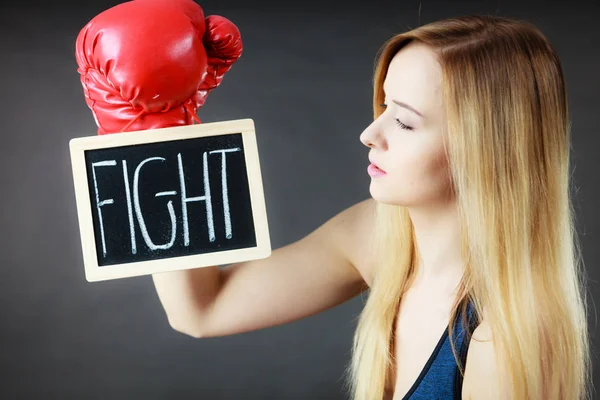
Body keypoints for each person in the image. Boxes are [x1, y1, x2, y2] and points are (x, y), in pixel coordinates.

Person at [76, 5, 591, 399]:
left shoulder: (502, 340)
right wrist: (156, 134)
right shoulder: (378, 234)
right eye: (384, 106)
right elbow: (202, 311)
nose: (370, 133)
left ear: (487, 148)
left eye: (406, 121)